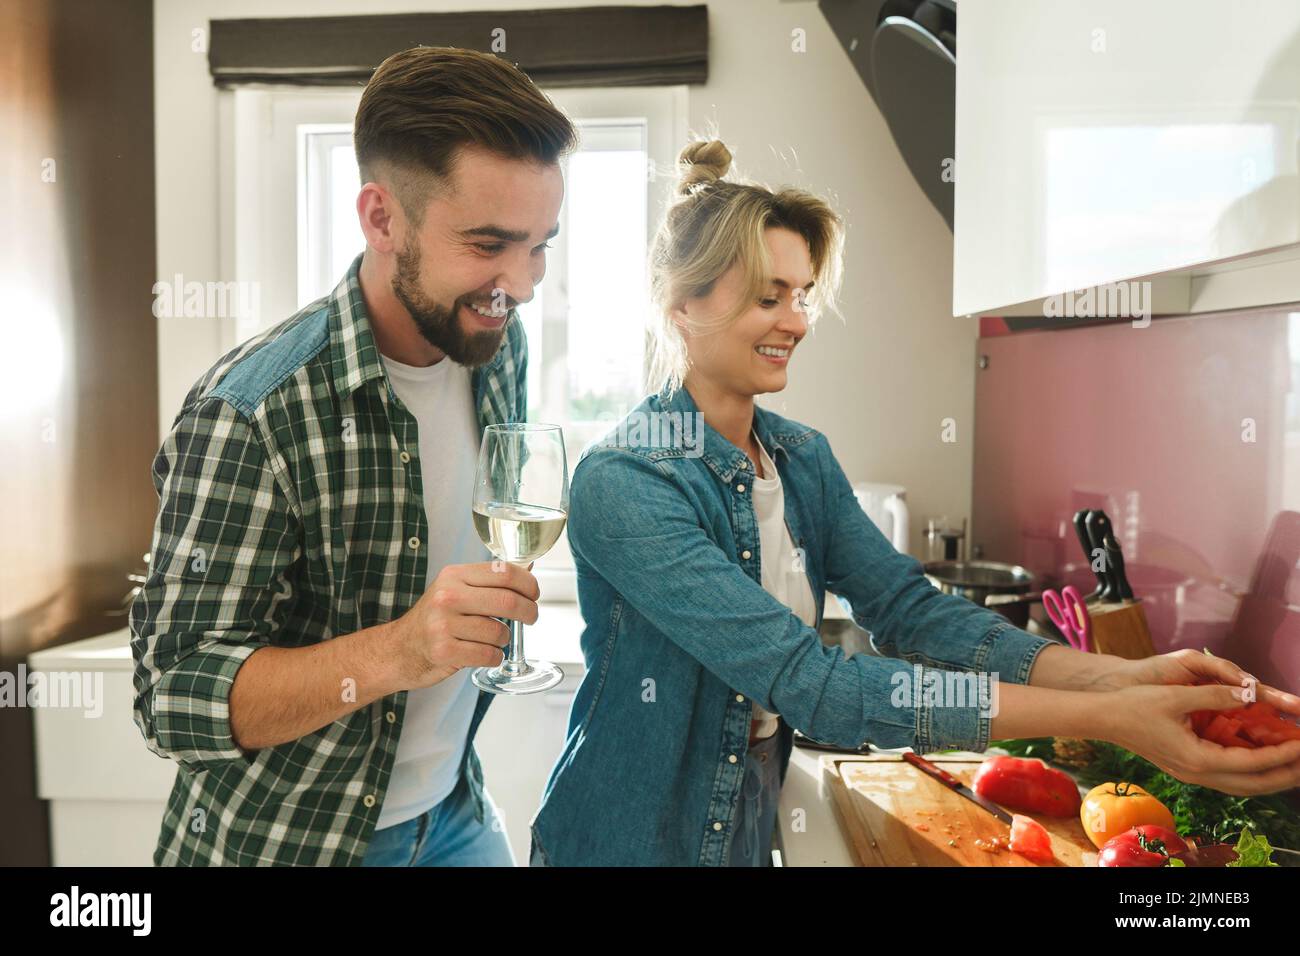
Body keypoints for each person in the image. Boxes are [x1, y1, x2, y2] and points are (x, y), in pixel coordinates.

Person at [529, 139, 1300, 867]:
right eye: (771, 297)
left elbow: (908, 609)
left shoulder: (801, 458)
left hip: (741, 829)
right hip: (623, 840)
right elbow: (816, 689)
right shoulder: (625, 482)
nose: (797, 321)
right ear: (681, 305)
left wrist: (1124, 679)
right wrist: (1106, 719)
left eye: (801, 295)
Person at [129, 46, 575, 865]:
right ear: (381, 218)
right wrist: (401, 650)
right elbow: (172, 697)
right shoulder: (253, 411)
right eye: (488, 244)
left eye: (541, 244)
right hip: (291, 844)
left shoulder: (493, 343)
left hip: (455, 817)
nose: (522, 282)